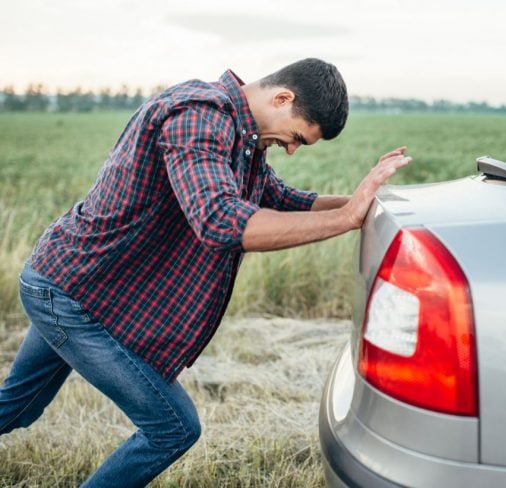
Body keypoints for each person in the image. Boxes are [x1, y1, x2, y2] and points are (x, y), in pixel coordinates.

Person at [0, 58, 410, 486]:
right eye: (296, 138)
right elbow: (221, 221)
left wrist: (366, 203)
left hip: (79, 287)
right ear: (282, 98)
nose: (291, 149)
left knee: (19, 406)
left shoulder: (242, 137)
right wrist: (344, 220)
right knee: (173, 426)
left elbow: (279, 197)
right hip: (71, 293)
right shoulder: (199, 114)